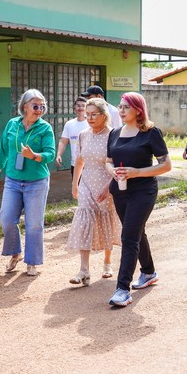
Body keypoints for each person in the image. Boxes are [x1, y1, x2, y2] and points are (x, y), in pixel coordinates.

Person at [105, 92, 171, 307]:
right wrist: (114, 171)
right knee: (136, 232)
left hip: (143, 190)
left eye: (126, 107)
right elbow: (108, 161)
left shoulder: (151, 133)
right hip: (120, 190)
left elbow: (166, 165)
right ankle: (149, 272)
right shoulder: (114, 133)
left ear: (138, 110)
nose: (121, 110)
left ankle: (122, 289)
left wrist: (136, 172)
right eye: (120, 106)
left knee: (129, 237)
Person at [0, 89, 55, 276]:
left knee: (34, 224)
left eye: (42, 106)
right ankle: (16, 253)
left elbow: (50, 154)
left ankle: (32, 262)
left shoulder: (45, 128)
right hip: (13, 180)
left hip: (37, 182)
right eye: (35, 106)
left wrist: (34, 156)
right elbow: (3, 149)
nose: (39, 110)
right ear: (24, 106)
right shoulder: (12, 124)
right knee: (7, 219)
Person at [67, 98, 121, 285]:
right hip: (86, 184)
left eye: (93, 114)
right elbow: (79, 161)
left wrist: (109, 187)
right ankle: (84, 270)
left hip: (106, 184)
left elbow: (115, 163)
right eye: (86, 114)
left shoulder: (113, 135)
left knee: (106, 220)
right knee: (84, 222)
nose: (88, 117)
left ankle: (107, 262)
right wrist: (75, 184)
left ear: (103, 115)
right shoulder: (83, 134)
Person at [55, 97, 89, 177]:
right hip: (75, 164)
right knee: (76, 187)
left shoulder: (90, 123)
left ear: (86, 108)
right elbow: (63, 142)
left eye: (83, 106)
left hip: (90, 165)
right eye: (78, 106)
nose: (80, 108)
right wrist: (59, 155)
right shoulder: (69, 124)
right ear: (74, 109)